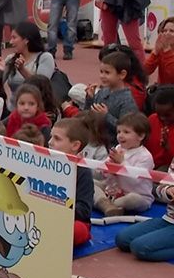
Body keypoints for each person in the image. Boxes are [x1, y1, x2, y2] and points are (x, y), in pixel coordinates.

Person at [96, 112, 154, 216]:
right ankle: (108, 204)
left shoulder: (145, 157)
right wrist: (107, 168)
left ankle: (108, 205)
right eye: (119, 132)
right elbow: (102, 172)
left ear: (140, 136)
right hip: (113, 189)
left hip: (136, 193)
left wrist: (121, 163)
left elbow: (134, 181)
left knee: (133, 199)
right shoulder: (118, 148)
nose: (120, 135)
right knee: (91, 183)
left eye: (126, 132)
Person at [48, 118, 95, 246]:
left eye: (57, 139)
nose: (50, 142)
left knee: (76, 231)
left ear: (75, 145)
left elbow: (84, 210)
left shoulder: (82, 172)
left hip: (72, 220)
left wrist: (58, 207)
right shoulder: (44, 164)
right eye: (51, 137)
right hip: (46, 216)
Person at [0, 22, 55, 110]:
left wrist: (22, 69)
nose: (11, 42)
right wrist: (1, 71)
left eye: (14, 38)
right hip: (13, 111)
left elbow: (41, 86)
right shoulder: (11, 58)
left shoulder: (45, 57)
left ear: (26, 40)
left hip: (35, 111)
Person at [85, 51, 139, 145]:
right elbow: (88, 114)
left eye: (107, 73)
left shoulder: (127, 100)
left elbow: (126, 129)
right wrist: (90, 98)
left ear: (122, 74)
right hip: (95, 141)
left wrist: (106, 116)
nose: (102, 76)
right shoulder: (102, 91)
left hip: (112, 145)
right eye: (101, 72)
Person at [146, 86, 174, 169]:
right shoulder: (152, 119)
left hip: (168, 168)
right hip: (147, 162)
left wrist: (167, 146)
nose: (162, 118)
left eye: (167, 115)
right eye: (159, 114)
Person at [143, 17, 174, 85]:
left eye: (172, 31)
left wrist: (167, 51)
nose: (167, 33)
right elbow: (145, 71)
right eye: (164, 31)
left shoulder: (166, 50)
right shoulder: (161, 50)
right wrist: (155, 52)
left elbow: (171, 77)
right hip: (162, 91)